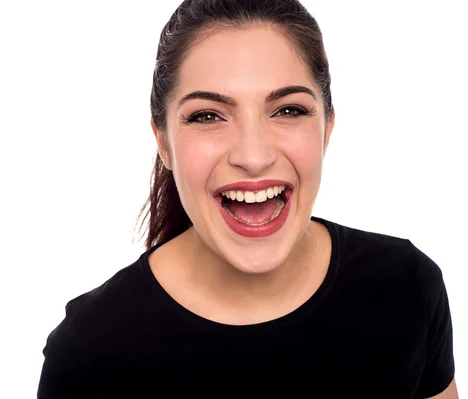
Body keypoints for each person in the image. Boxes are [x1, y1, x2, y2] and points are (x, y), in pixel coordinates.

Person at [37, 0, 457, 397]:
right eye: (207, 116)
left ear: (327, 127)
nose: (253, 157)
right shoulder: (90, 352)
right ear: (162, 143)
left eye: (288, 110)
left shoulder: (408, 288)